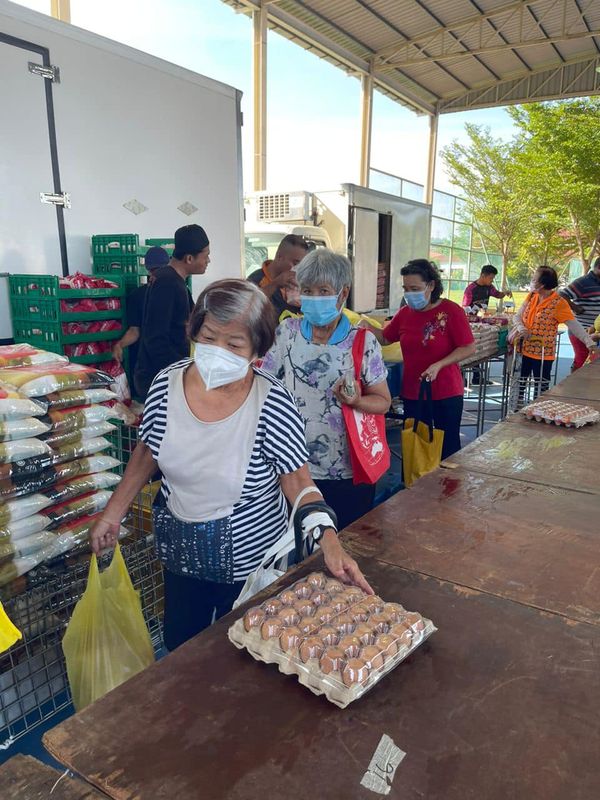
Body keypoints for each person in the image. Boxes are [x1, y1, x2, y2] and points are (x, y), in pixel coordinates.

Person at [91, 279, 371, 651]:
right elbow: (147, 452)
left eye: (234, 344)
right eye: (208, 338)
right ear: (194, 333)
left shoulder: (272, 402)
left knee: (242, 653)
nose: (217, 351)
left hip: (250, 565)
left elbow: (298, 482)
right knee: (181, 647)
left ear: (257, 350)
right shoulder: (166, 385)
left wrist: (329, 542)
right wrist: (112, 514)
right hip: (181, 552)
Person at [262, 249, 391, 530]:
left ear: (343, 293)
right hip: (293, 467)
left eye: (324, 290)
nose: (314, 297)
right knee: (300, 544)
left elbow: (383, 401)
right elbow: (264, 384)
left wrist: (356, 401)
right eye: (307, 290)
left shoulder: (363, 341)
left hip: (348, 470)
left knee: (348, 540)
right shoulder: (287, 333)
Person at [363, 259, 475, 461]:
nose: (409, 294)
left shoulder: (451, 312)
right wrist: (366, 327)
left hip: (445, 392)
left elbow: (468, 347)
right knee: (416, 448)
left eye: (414, 289)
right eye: (406, 289)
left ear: (431, 285)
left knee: (447, 449)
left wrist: (439, 365)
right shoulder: (405, 314)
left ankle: (447, 482)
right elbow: (386, 338)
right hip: (413, 392)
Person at [134, 224, 210, 400]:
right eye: (205, 255)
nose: (208, 260)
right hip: (160, 378)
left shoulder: (175, 281)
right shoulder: (167, 283)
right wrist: (180, 372)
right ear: (189, 258)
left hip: (170, 374)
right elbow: (155, 338)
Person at [511, 266, 595, 396]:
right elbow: (517, 316)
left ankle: (538, 407)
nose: (532, 281)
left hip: (543, 353)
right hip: (523, 350)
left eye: (534, 279)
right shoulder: (532, 296)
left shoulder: (558, 303)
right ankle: (517, 405)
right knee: (519, 385)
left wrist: (589, 343)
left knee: (540, 388)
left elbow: (574, 326)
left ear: (542, 284)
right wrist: (522, 328)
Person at [111, 246, 170, 381]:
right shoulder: (179, 290)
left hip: (146, 363)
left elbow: (134, 331)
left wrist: (119, 344)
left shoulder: (137, 295)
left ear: (148, 269)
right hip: (170, 361)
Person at [247, 234, 309, 320]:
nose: (298, 268)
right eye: (295, 263)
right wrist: (275, 284)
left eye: (302, 265)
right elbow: (247, 308)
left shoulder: (298, 282)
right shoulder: (255, 280)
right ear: (279, 257)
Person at [558, 256, 600, 371]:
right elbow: (561, 294)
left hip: (595, 330)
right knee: (583, 360)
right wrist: (575, 307)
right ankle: (573, 380)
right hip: (581, 329)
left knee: (592, 362)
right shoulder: (583, 282)